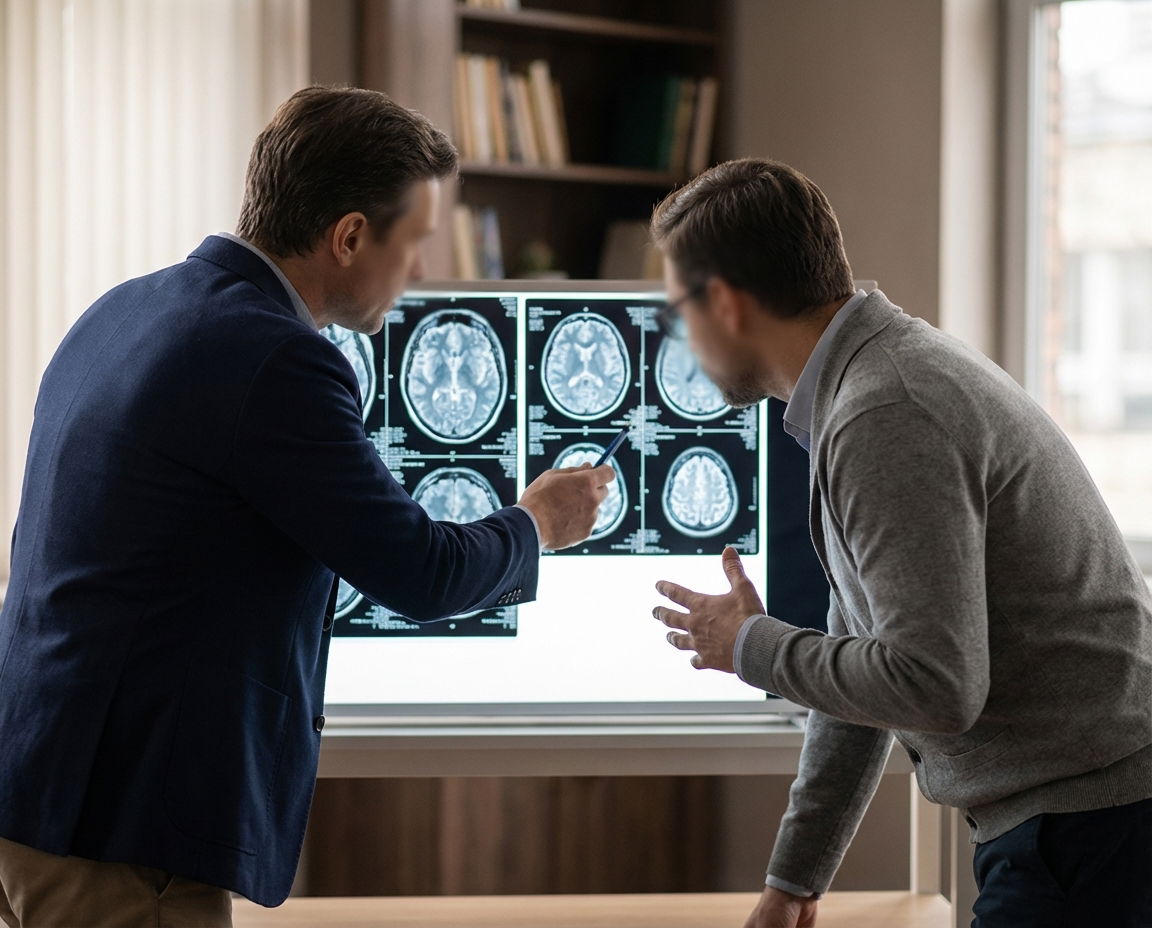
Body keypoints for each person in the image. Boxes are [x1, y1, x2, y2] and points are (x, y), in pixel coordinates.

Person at [0, 86, 613, 927]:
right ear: (350, 236)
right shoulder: (275, 357)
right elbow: (423, 571)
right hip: (118, 829)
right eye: (417, 244)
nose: (426, 273)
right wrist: (539, 521)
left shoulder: (125, 307)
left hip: (36, 782)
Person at [648, 158, 1152, 928]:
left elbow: (933, 685)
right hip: (1089, 817)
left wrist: (751, 645)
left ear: (724, 302)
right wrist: (794, 881)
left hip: (1093, 832)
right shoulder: (874, 380)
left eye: (677, 309)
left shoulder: (884, 414)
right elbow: (865, 669)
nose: (679, 336)